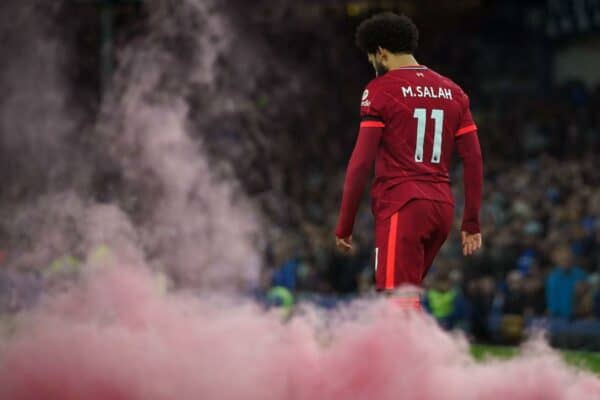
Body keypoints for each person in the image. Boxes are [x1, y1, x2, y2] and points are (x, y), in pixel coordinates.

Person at [334, 13, 483, 302]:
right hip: (441, 207)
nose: (372, 65)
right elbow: (474, 158)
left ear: (381, 52)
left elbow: (361, 162)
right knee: (404, 293)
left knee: (398, 299)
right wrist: (471, 222)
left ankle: (423, 349)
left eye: (370, 58)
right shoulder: (454, 91)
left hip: (402, 205)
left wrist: (345, 224)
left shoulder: (380, 89)